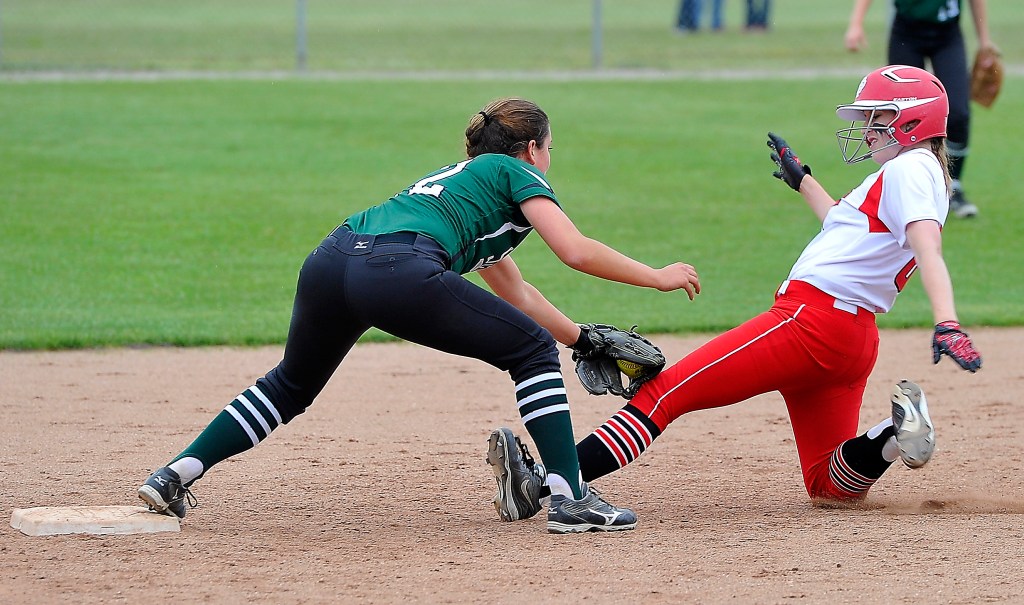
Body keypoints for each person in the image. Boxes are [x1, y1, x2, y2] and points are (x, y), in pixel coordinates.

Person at [137, 97, 702, 534]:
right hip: (398, 267)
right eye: (550, 147)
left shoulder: (461, 185)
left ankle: (173, 476)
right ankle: (569, 497)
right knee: (530, 352)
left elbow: (517, 292)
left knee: (290, 384)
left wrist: (579, 337)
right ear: (530, 149)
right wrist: (658, 275)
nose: (550, 160)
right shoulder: (514, 172)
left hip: (334, 258)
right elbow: (573, 250)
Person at [488, 66, 983, 523]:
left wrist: (947, 321)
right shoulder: (911, 173)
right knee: (828, 485)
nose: (868, 128)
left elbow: (928, 248)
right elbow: (849, 228)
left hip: (809, 323)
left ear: (914, 122)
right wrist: (804, 181)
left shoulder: (909, 169)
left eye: (880, 117)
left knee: (662, 394)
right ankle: (891, 436)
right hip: (850, 340)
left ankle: (546, 484)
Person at [844, 0, 999, 218]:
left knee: (959, 113)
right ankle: (897, 186)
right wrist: (856, 23)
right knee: (899, 112)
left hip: (948, 34)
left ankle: (952, 186)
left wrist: (984, 41)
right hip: (906, 33)